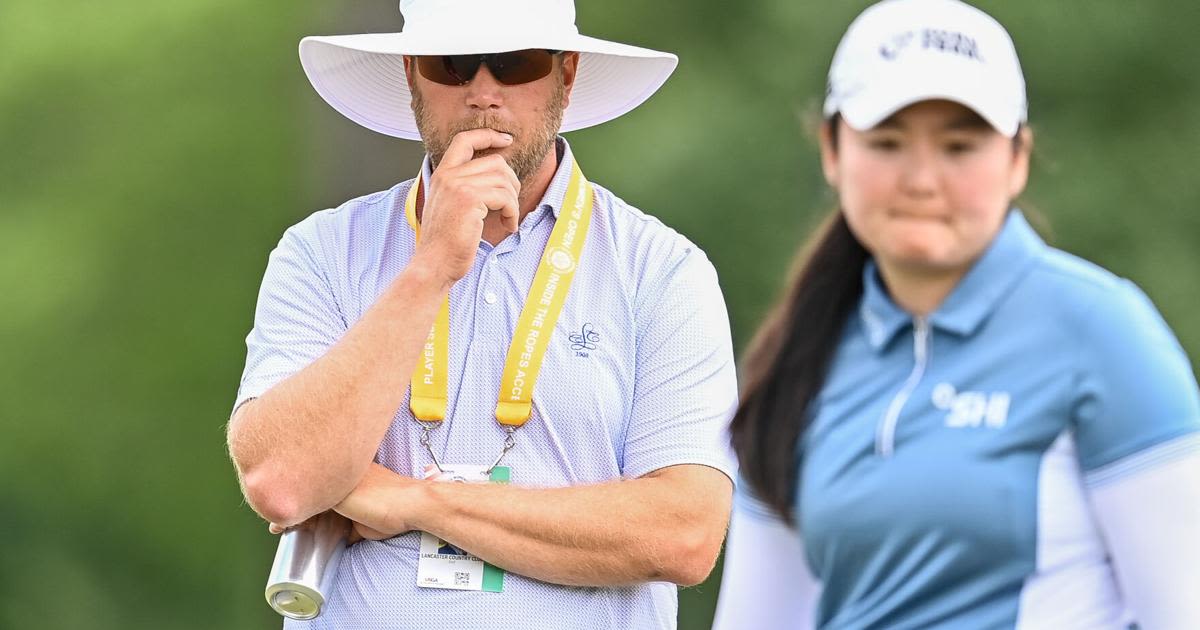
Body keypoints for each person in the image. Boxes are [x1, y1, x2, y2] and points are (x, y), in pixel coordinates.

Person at [225, 0, 738, 627]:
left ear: (566, 74)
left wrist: (416, 501)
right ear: (413, 73)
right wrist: (430, 267)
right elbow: (280, 480)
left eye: (514, 63)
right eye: (455, 64)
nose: (484, 93)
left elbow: (683, 535)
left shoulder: (663, 270)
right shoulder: (321, 251)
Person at [714, 0, 1200, 628]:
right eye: (886, 143)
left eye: (959, 146)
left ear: (1017, 158)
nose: (921, 180)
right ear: (832, 152)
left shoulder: (1103, 331)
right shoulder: (796, 358)